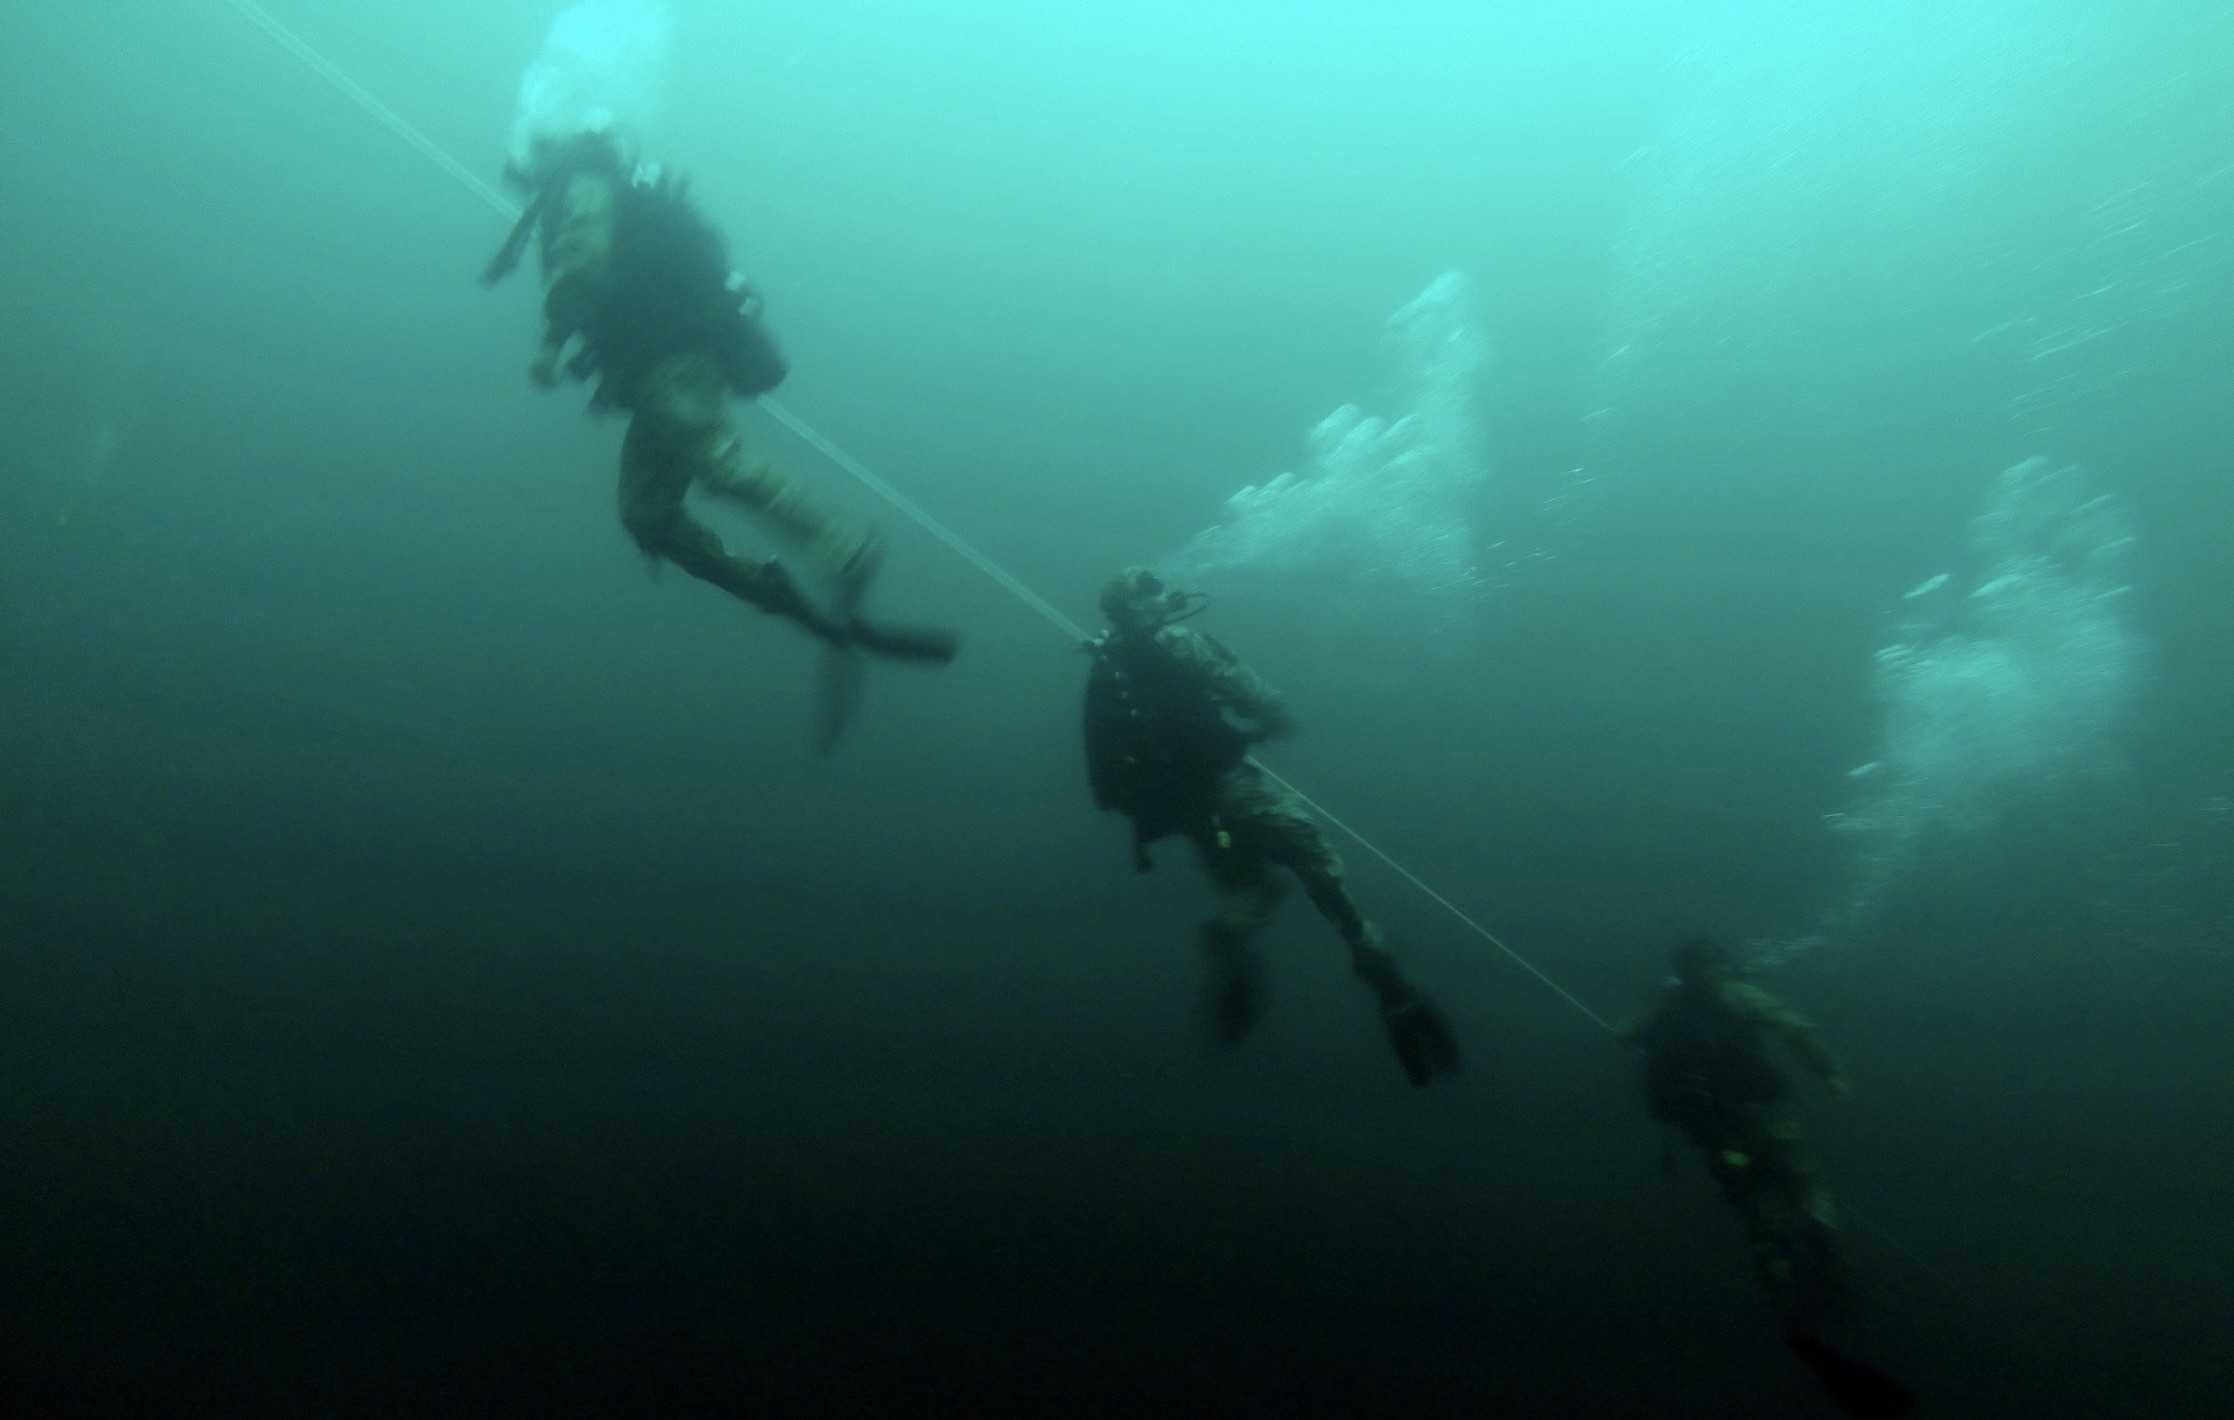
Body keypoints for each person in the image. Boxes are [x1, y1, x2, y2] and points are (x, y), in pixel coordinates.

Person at [483, 127, 957, 699]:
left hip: (668, 359)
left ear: (553, 149)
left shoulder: (579, 189)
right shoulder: (589, 192)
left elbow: (580, 259)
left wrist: (546, 346)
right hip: (650, 372)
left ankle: (845, 547)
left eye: (532, 151)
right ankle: (771, 591)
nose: (523, 167)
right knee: (645, 514)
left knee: (719, 464)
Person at [1082, 566, 1462, 1087]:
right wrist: (1272, 720)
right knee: (1318, 864)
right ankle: (1384, 977)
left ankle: (1229, 934)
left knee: (1256, 889)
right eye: (1149, 589)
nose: (1163, 593)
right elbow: (1251, 692)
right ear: (1137, 605)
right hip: (1232, 788)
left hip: (1190, 812)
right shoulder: (1176, 639)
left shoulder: (1108, 661)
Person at [1628, 939, 1916, 1417]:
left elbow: (1634, 1037)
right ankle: (1826, 1247)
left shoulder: (1670, 1007)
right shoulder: (1740, 995)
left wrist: (1628, 1035)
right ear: (1719, 966)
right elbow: (1797, 1030)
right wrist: (1833, 1074)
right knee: (1807, 1189)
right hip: (1764, 1119)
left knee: (1761, 1220)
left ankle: (1791, 1310)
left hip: (1720, 1135)